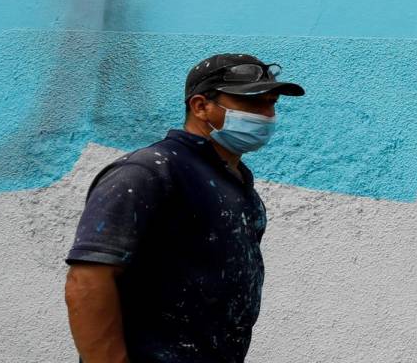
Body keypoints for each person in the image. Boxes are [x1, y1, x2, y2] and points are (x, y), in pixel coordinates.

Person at [64, 54, 305, 363]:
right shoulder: (150, 172)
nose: (267, 115)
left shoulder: (236, 183)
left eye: (271, 103)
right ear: (200, 106)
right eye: (253, 103)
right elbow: (87, 280)